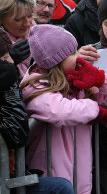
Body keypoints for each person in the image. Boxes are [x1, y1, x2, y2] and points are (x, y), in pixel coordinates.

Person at [20, 24, 107, 194]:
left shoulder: (76, 80)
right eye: (72, 53)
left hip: (81, 175)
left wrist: (99, 79)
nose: (78, 56)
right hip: (52, 174)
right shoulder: (34, 84)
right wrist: (95, 108)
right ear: (57, 60)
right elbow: (59, 111)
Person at [0, 28, 75, 194]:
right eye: (5, 58)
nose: (12, 62)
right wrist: (10, 87)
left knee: (62, 187)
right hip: (6, 182)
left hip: (13, 175)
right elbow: (16, 133)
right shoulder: (33, 86)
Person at [0, 0, 35, 78]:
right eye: (18, 19)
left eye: (30, 16)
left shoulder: (39, 34)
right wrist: (5, 62)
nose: (27, 23)